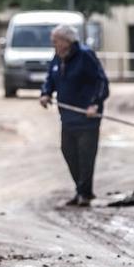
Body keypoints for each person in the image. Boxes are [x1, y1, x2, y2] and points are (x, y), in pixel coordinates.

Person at [40, 23, 110, 207]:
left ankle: (85, 193)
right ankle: (81, 190)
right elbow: (51, 78)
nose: (53, 44)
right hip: (68, 116)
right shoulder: (58, 57)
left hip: (87, 118)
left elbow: (101, 82)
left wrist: (95, 103)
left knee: (85, 156)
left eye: (55, 41)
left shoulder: (85, 56)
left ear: (66, 41)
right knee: (68, 151)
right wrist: (46, 93)